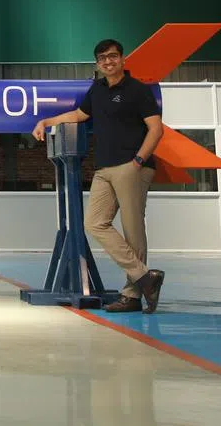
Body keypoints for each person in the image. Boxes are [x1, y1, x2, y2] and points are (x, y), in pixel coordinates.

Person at [31, 38, 166, 313]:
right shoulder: (98, 90)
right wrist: (46, 122)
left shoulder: (137, 90)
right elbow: (80, 115)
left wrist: (138, 160)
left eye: (113, 56)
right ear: (97, 63)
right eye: (102, 58)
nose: (108, 61)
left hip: (132, 166)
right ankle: (144, 277)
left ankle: (131, 295)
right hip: (104, 169)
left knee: (133, 230)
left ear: (122, 59)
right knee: (94, 223)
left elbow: (156, 129)